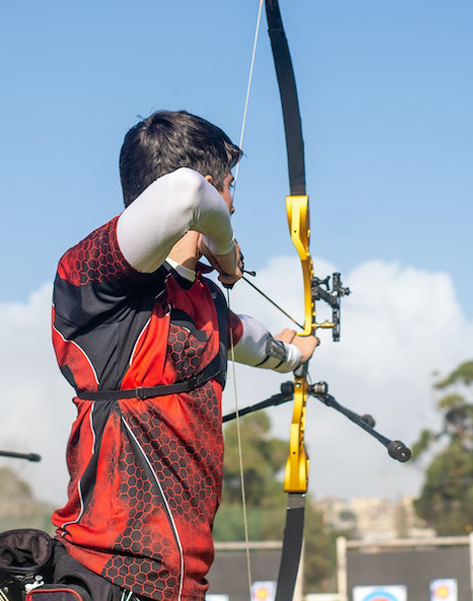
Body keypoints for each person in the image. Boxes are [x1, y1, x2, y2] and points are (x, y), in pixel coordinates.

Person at [48, 110, 320, 601]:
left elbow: (254, 342)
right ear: (216, 187)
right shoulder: (89, 280)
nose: (233, 205)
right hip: (107, 573)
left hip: (178, 581)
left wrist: (296, 353)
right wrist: (226, 248)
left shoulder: (204, 302)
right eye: (231, 188)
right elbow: (186, 195)